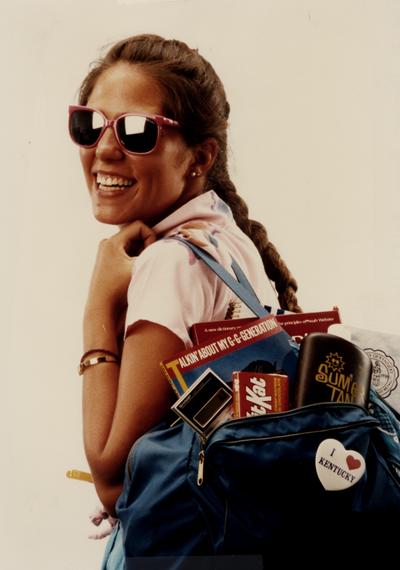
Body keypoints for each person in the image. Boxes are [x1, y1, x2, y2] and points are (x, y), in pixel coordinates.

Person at [69, 33, 301, 568]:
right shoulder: (231, 242)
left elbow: (112, 478)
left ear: (200, 156)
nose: (104, 148)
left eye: (137, 131)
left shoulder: (172, 261)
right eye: (90, 125)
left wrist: (99, 306)